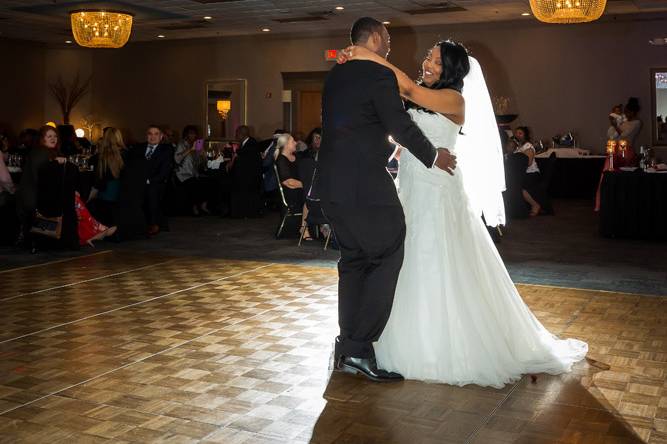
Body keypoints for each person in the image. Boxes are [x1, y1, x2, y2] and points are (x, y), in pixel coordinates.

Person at [341, 34, 588, 386]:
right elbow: (396, 105)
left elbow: (407, 90)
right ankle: (379, 337)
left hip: (438, 192)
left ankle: (436, 346)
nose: (427, 63)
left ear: (452, 71)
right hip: (410, 188)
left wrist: (365, 53)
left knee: (434, 258)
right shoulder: (425, 95)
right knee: (403, 258)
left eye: (437, 61)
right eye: (428, 56)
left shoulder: (454, 99)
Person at [316, 17, 458, 382]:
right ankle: (359, 349)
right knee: (388, 252)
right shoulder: (378, 77)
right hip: (365, 186)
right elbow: (400, 125)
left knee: (354, 262)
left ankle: (347, 348)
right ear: (376, 38)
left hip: (331, 185)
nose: (391, 47)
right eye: (389, 39)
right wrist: (433, 155)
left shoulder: (336, 74)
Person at [274, 133, 312, 240]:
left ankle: (324, 227)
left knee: (316, 193)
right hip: (290, 193)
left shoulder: (297, 157)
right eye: (293, 141)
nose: (296, 143)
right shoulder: (281, 160)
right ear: (286, 144)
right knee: (310, 196)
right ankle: (304, 229)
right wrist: (308, 185)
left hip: (300, 188)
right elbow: (288, 182)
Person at [88, 127, 126, 227]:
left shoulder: (99, 158)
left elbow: (98, 181)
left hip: (106, 196)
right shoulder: (127, 155)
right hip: (124, 194)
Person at [139, 125, 174, 235]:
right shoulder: (140, 148)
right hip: (139, 181)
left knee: (152, 190)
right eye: (150, 133)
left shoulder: (166, 150)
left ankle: (153, 223)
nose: (152, 136)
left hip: (157, 182)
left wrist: (148, 181)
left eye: (156, 134)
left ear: (161, 136)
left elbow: (164, 172)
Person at [174, 125, 209, 216]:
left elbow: (201, 164)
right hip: (183, 174)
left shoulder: (197, 145)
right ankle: (194, 207)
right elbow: (177, 159)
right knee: (194, 184)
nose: (193, 135)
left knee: (208, 181)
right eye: (191, 133)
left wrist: (202, 155)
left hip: (193, 174)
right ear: (186, 134)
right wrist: (190, 149)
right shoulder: (182, 144)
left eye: (194, 134)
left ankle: (203, 205)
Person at [229, 125, 262, 218]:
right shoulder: (248, 143)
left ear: (241, 134)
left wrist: (235, 155)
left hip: (250, 176)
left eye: (237, 133)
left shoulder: (251, 143)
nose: (236, 136)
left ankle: (243, 212)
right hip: (248, 175)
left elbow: (245, 159)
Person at [508, 126, 542, 216]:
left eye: (520, 133)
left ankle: (535, 205)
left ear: (525, 135)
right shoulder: (517, 147)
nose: (517, 135)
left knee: (516, 185)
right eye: (516, 133)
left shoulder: (528, 146)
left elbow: (528, 163)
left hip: (532, 174)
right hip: (521, 174)